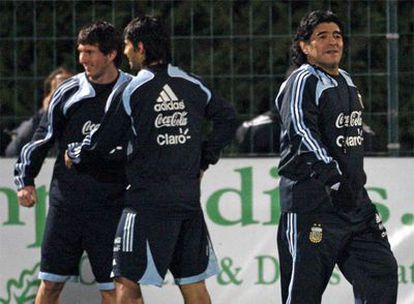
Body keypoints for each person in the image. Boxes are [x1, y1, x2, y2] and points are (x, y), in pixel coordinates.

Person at [65, 15, 238, 304]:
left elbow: (102, 142)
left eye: (127, 46)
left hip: (145, 205)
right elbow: (228, 118)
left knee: (125, 281)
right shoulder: (190, 83)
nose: (125, 52)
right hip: (186, 201)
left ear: (141, 48)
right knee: (194, 285)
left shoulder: (131, 89)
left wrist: (76, 154)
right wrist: (204, 158)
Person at [274, 10, 398, 304]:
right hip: (312, 203)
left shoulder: (347, 80)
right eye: (322, 36)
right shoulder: (303, 79)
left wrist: (350, 187)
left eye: (337, 35)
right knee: (303, 294)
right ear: (305, 46)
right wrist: (333, 178)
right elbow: (301, 131)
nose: (333, 42)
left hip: (354, 204)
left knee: (381, 271)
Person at [14, 21, 132, 304]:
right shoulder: (68, 91)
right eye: (81, 51)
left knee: (113, 290)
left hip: (110, 205)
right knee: (51, 284)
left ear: (112, 54)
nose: (82, 59)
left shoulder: (132, 90)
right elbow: (43, 137)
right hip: (67, 204)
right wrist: (26, 180)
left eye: (90, 52)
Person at [5, 67, 73, 156]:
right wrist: (44, 113)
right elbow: (12, 151)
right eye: (56, 90)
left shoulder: (85, 117)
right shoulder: (34, 123)